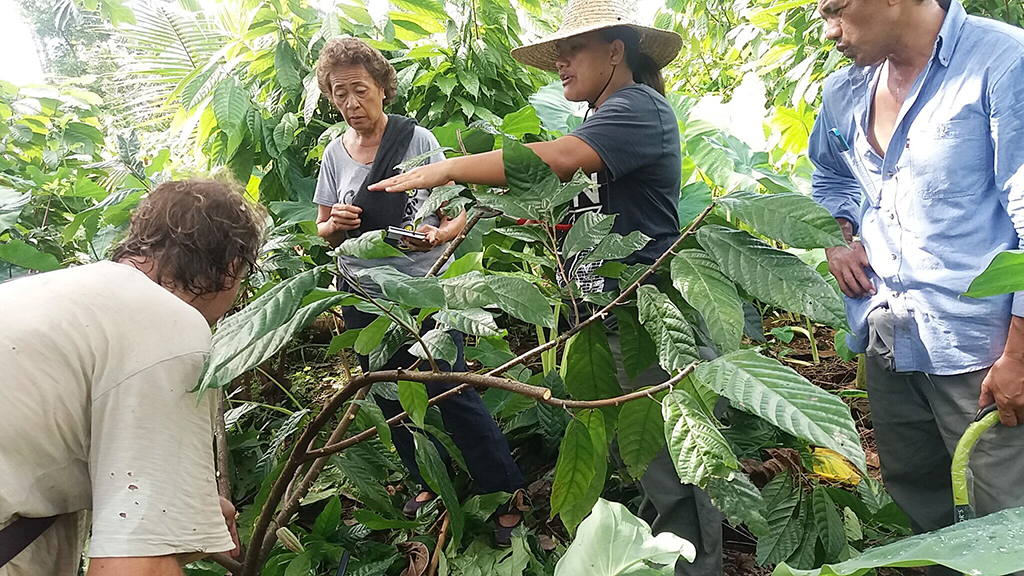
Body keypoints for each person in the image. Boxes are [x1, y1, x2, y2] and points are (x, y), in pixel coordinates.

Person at [370, 1, 724, 572]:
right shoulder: (603, 117)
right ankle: (657, 558)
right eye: (556, 52)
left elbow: (557, 162)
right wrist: (457, 226)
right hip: (606, 311)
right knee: (642, 453)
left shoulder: (637, 108)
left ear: (616, 51)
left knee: (675, 467)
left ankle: (694, 566)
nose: (559, 62)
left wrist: (449, 168)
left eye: (571, 50)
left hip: (649, 315)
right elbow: (561, 202)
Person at [809, 0, 1024, 571]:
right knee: (919, 497)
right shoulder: (846, 91)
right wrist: (838, 234)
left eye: (836, 10)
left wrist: (1021, 355)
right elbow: (828, 175)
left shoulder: (1002, 62)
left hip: (981, 352)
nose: (829, 31)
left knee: (1003, 516)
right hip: (889, 335)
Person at [311, 37, 527, 546]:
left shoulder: (416, 142)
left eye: (360, 90)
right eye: (339, 94)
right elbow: (322, 227)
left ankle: (506, 491)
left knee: (451, 389)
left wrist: (436, 234)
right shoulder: (333, 154)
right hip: (363, 292)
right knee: (389, 395)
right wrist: (335, 222)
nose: (350, 104)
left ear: (383, 88)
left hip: (421, 290)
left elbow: (455, 218)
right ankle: (431, 479)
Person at [0, 178, 265, 576]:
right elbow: (136, 567)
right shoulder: (171, 326)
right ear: (231, 269)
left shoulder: (54, 294)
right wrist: (155, 545)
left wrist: (182, 514)